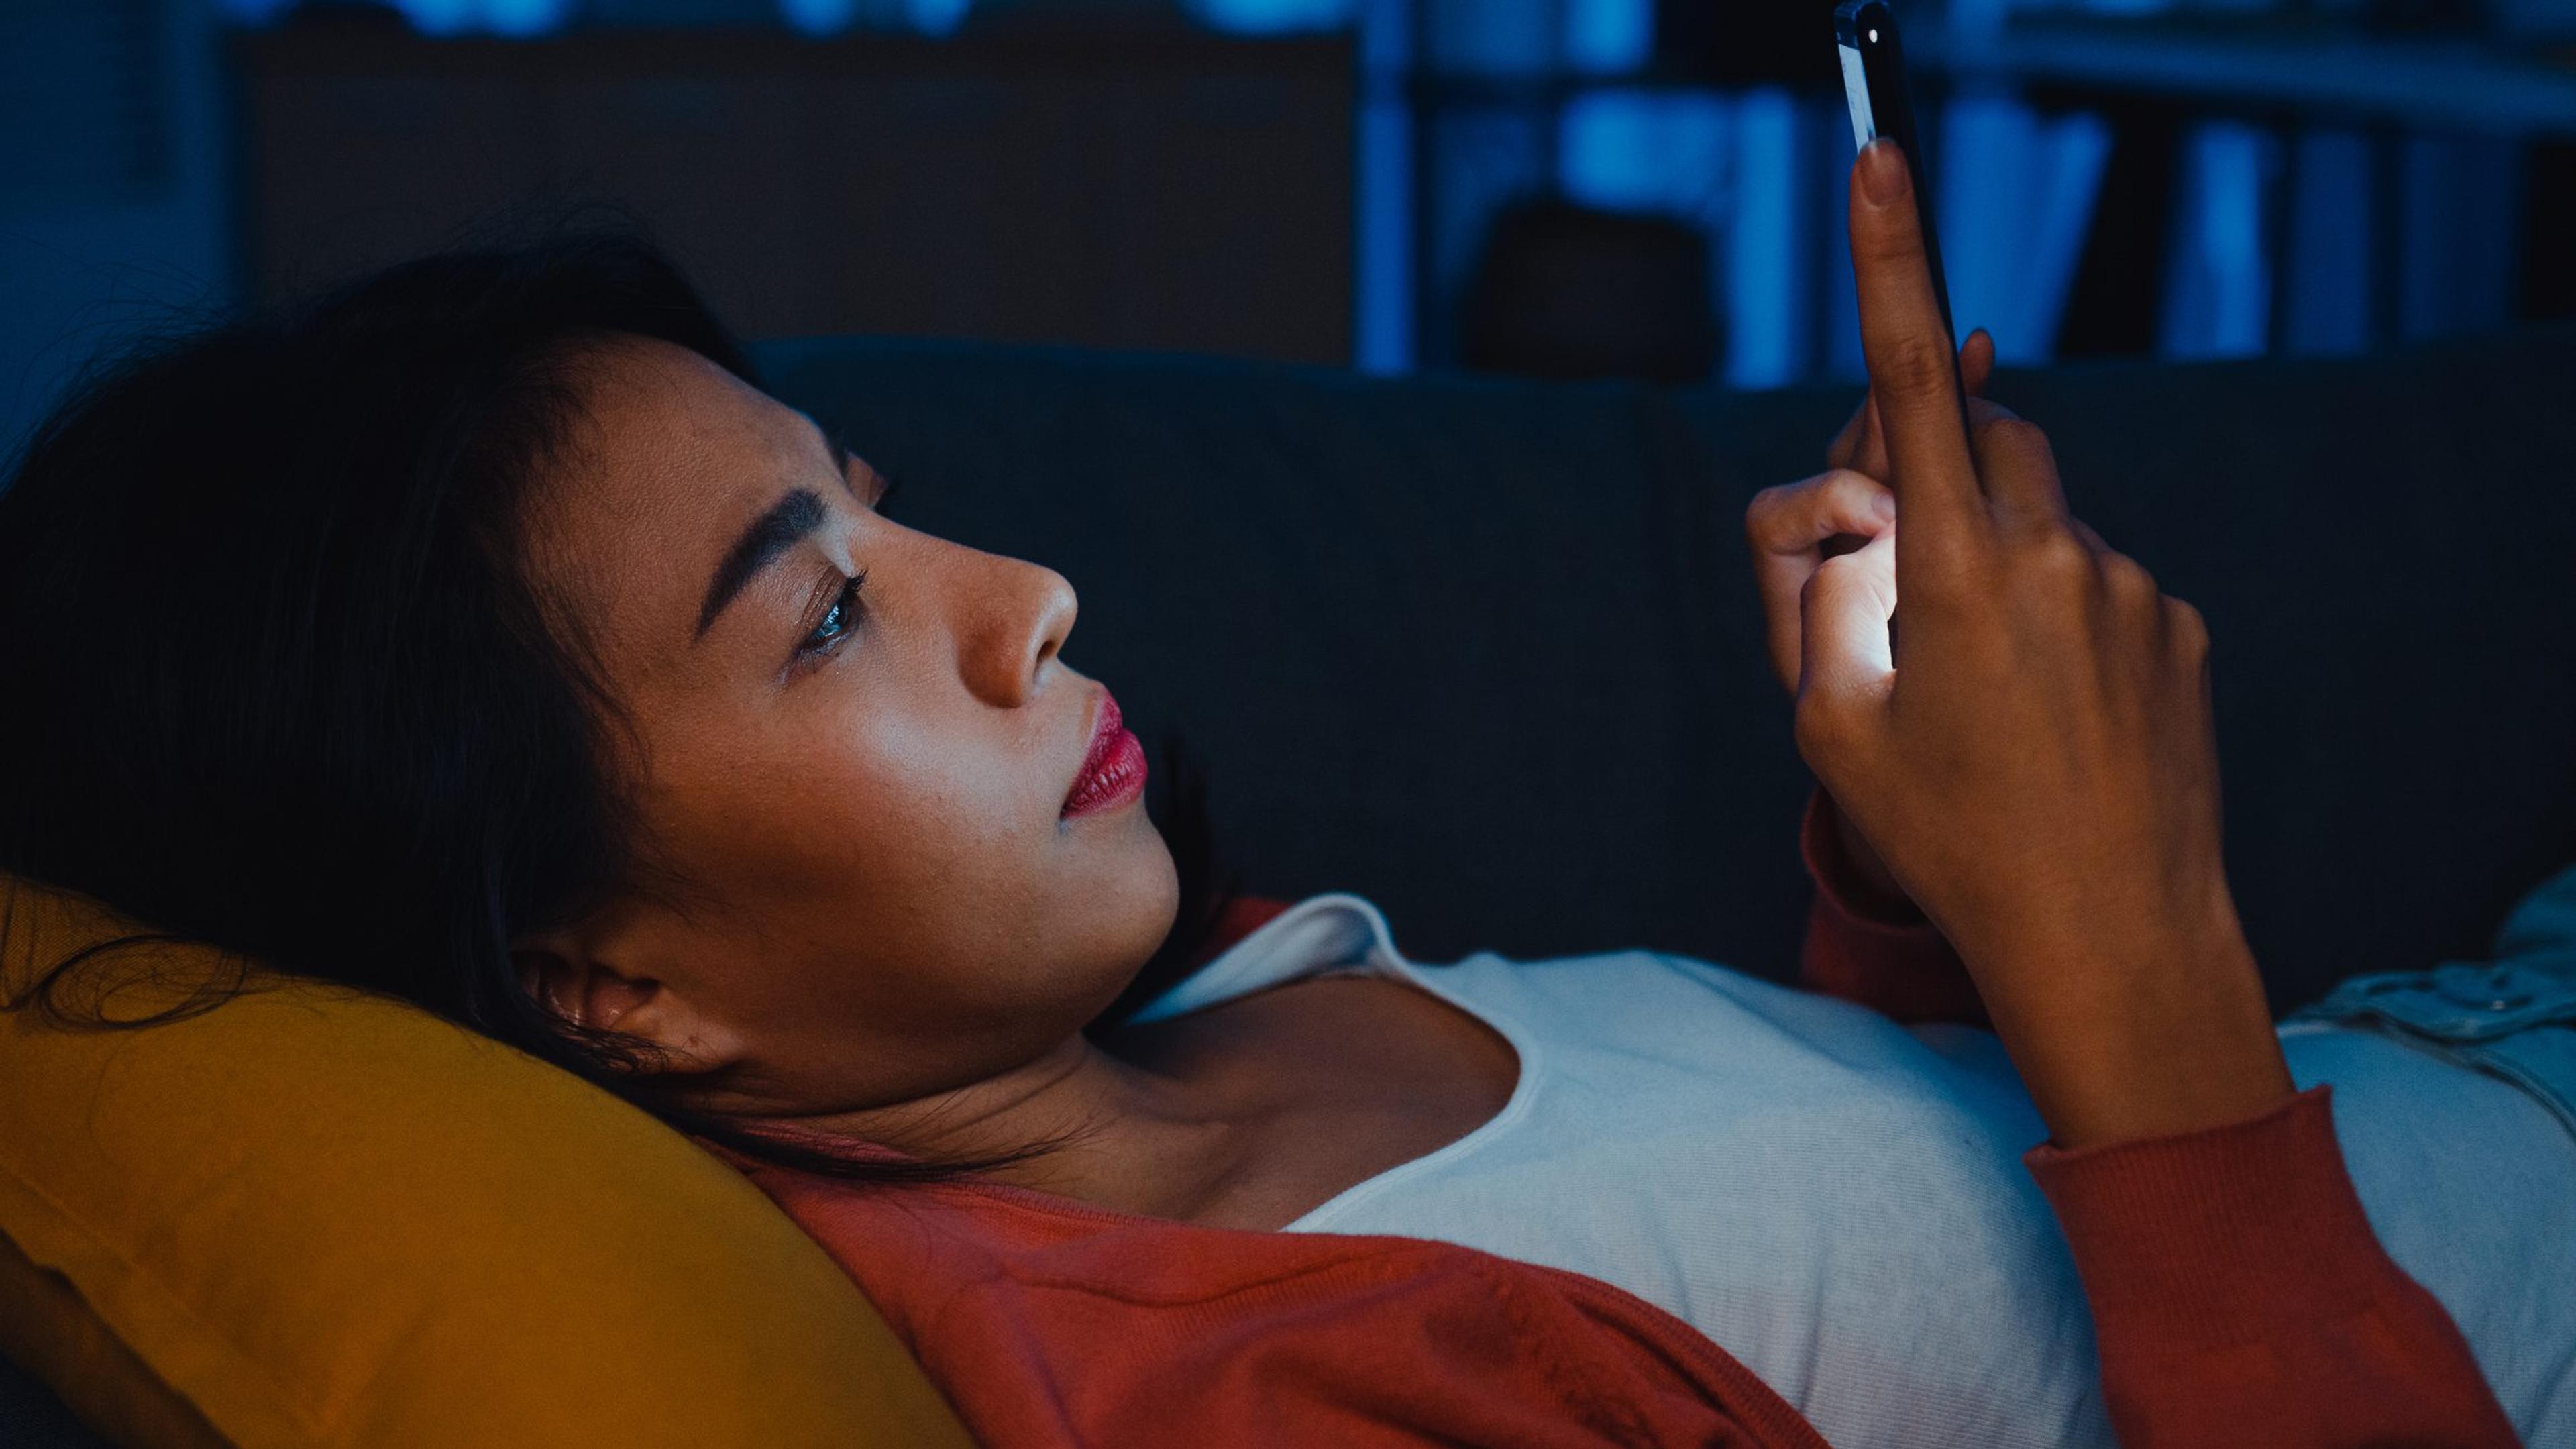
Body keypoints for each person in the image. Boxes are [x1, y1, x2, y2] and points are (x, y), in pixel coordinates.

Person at [0, 142, 2561, 1447]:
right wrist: (2137, 968)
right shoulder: (1260, 1403)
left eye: (881, 506)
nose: (1029, 596)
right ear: (603, 981)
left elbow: (1856, 1283)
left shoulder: (1190, 998)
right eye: (827, 614)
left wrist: (1918, 877)